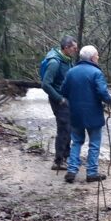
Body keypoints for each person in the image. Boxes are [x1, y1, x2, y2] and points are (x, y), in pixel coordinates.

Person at [60, 45, 111, 183]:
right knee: (94, 143)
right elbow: (103, 92)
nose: (98, 57)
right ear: (92, 58)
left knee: (76, 142)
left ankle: (72, 170)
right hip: (93, 113)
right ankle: (92, 173)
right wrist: (110, 100)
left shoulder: (71, 72)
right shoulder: (96, 72)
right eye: (97, 55)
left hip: (75, 113)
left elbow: (63, 91)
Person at [41, 35, 78, 171]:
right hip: (59, 101)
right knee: (64, 129)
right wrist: (59, 98)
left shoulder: (66, 60)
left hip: (67, 99)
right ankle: (58, 161)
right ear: (66, 48)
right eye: (74, 48)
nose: (76, 50)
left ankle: (65, 158)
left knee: (68, 128)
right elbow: (45, 84)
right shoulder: (55, 63)